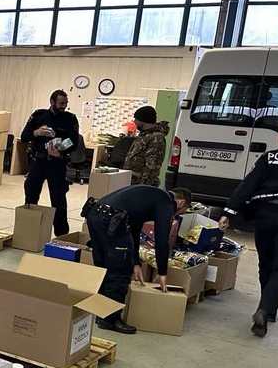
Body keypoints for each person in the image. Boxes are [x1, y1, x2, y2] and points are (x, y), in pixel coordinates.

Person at [220, 120, 278, 337]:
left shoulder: (270, 157)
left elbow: (248, 185)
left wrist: (229, 212)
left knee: (266, 262)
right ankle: (267, 309)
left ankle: (265, 308)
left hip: (266, 215)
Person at [83, 185, 174, 335]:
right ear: (181, 203)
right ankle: (111, 319)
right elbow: (162, 240)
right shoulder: (166, 203)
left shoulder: (147, 196)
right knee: (119, 270)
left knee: (103, 266)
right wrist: (163, 272)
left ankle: (100, 312)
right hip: (111, 219)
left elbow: (133, 231)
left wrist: (136, 263)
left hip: (94, 212)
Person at [20, 90, 79, 236]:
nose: (64, 106)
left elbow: (74, 141)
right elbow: (24, 137)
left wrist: (60, 150)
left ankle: (62, 236)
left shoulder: (70, 118)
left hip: (57, 164)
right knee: (31, 196)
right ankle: (28, 231)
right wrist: (37, 132)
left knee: (58, 200)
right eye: (61, 103)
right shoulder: (39, 116)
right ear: (52, 102)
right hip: (38, 162)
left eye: (66, 103)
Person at [123, 106, 168, 186]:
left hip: (141, 185)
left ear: (143, 120)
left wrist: (143, 185)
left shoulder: (156, 138)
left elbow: (152, 165)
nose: (134, 121)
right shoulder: (144, 135)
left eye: (136, 119)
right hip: (132, 182)